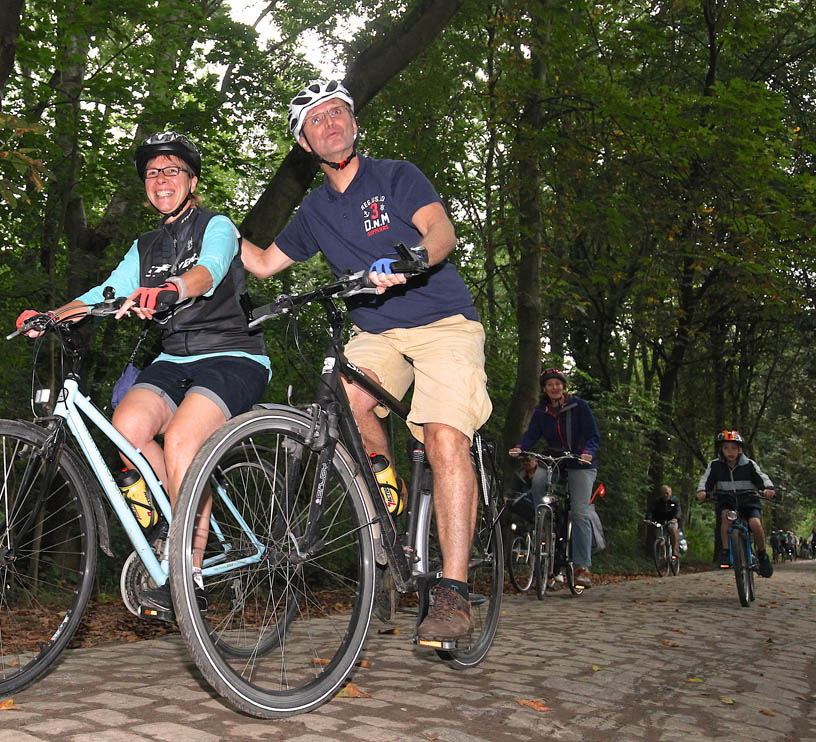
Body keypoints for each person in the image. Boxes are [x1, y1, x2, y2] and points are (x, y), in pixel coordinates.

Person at [241, 79, 492, 643]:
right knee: (343, 401)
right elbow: (261, 264)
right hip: (377, 332)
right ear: (304, 143)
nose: (329, 123)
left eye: (337, 112)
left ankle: (453, 591)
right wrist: (212, 227)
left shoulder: (395, 176)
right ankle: (385, 494)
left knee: (444, 437)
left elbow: (441, 231)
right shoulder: (313, 210)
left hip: (443, 323)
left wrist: (413, 258)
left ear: (353, 123)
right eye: (315, 119)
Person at [16, 131, 270, 618]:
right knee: (127, 429)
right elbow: (108, 290)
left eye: (173, 170)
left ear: (192, 181)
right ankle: (179, 511)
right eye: (153, 172)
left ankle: (188, 574)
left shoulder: (216, 225)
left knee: (182, 441)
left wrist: (173, 288)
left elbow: (210, 270)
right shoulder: (146, 245)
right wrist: (52, 315)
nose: (161, 179)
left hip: (233, 355)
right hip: (173, 359)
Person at [508, 368, 601, 588]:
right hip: (554, 459)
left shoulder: (578, 406)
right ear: (544, 388)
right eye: (549, 384)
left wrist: (588, 452)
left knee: (579, 513)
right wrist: (520, 447)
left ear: (563, 386)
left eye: (557, 383)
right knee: (538, 482)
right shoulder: (541, 411)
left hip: (580, 461)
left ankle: (582, 567)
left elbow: (593, 435)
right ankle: (543, 520)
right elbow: (531, 435)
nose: (554, 387)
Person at [695, 430, 775, 578]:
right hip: (727, 501)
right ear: (721, 450)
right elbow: (705, 480)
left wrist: (768, 489)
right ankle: (726, 552)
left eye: (733, 448)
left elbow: (762, 478)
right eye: (726, 448)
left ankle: (762, 554)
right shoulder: (715, 465)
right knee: (726, 517)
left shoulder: (749, 464)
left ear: (740, 450)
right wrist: (702, 492)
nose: (730, 452)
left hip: (749, 501)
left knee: (755, 524)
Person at [645, 484, 682, 561]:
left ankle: (674, 550)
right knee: (659, 536)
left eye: (667, 493)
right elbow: (650, 511)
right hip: (660, 522)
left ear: (670, 493)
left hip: (671, 521)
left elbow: (678, 511)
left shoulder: (675, 501)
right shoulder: (657, 502)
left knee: (672, 528)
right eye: (664, 493)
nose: (665, 495)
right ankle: (662, 554)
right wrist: (649, 519)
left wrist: (676, 518)